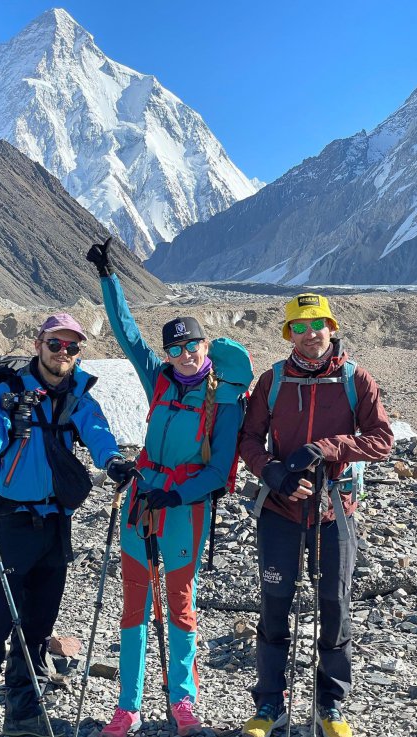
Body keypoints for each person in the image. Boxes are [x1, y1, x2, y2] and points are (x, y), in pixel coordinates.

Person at [86, 239, 253, 737]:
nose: (182, 355)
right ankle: (128, 706)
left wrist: (174, 494)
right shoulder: (158, 379)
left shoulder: (223, 402)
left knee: (179, 601)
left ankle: (183, 701)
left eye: (190, 346)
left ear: (205, 347)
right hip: (142, 500)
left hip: (185, 507)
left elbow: (218, 470)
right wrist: (109, 278)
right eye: (174, 348)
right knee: (134, 600)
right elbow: (127, 335)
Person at [0, 312, 135, 737]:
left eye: (72, 346)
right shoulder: (6, 394)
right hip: (12, 523)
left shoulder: (78, 396)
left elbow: (98, 433)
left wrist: (114, 463)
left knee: (36, 626)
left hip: (56, 527)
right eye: (56, 344)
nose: (64, 353)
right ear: (39, 344)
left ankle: (24, 716)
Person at [238, 293, 393, 737]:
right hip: (281, 509)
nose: (310, 335)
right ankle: (270, 705)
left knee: (334, 607)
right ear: (290, 334)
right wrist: (271, 470)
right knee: (274, 605)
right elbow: (248, 438)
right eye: (300, 328)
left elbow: (382, 440)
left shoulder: (354, 380)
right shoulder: (273, 381)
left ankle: (332, 705)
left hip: (333, 513)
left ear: (331, 326)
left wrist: (327, 448)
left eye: (316, 325)